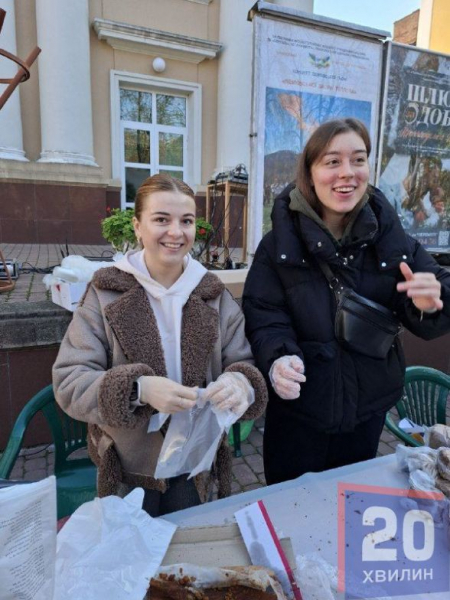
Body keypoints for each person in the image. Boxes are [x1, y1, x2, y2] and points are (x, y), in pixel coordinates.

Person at [243, 118, 450, 485]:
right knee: (291, 511)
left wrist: (432, 301)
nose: (347, 173)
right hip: (298, 418)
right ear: (310, 171)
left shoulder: (392, 238)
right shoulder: (278, 246)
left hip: (365, 415)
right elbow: (264, 314)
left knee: (348, 513)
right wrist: (278, 358)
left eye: (358, 159)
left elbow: (440, 289)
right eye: (332, 161)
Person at [53, 174, 267, 516]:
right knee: (134, 559)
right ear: (138, 227)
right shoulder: (105, 293)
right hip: (128, 467)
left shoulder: (212, 294)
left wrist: (239, 383)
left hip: (195, 463)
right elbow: (69, 381)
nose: (176, 232)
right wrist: (139, 389)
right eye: (161, 220)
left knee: (185, 558)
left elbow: (243, 363)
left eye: (186, 221)